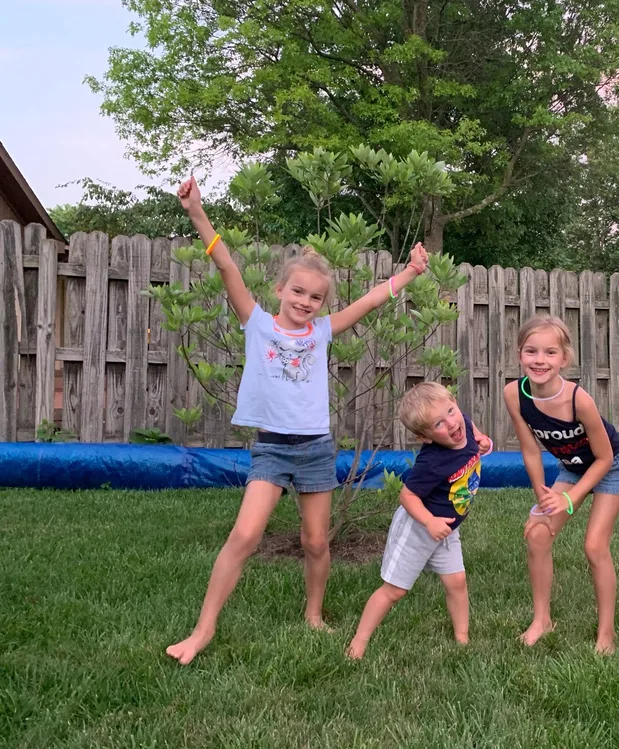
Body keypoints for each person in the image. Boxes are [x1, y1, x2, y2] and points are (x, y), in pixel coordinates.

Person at [166, 175, 428, 665]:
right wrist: (197, 213)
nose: (306, 302)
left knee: (314, 540)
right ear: (279, 289)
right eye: (298, 293)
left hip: (314, 449)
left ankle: (313, 614)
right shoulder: (257, 322)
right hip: (271, 448)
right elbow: (225, 265)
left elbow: (370, 302)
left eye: (315, 298)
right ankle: (202, 630)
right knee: (245, 536)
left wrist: (410, 273)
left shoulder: (323, 330)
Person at [503, 315, 619, 654]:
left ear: (564, 358)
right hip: (572, 467)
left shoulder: (579, 400)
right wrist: (542, 497)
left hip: (611, 465)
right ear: (519, 354)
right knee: (537, 534)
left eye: (550, 352)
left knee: (594, 546)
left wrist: (572, 499)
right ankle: (541, 620)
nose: (540, 360)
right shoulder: (514, 395)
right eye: (531, 351)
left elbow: (604, 458)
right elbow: (530, 449)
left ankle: (606, 633)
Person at [346, 382, 491, 658]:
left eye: (451, 411)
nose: (451, 423)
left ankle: (462, 640)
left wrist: (485, 441)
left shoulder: (464, 424)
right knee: (394, 590)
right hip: (418, 528)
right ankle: (359, 642)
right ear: (425, 437)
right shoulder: (432, 462)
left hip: (446, 528)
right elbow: (408, 496)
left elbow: (474, 432)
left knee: (457, 581)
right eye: (439, 423)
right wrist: (429, 522)